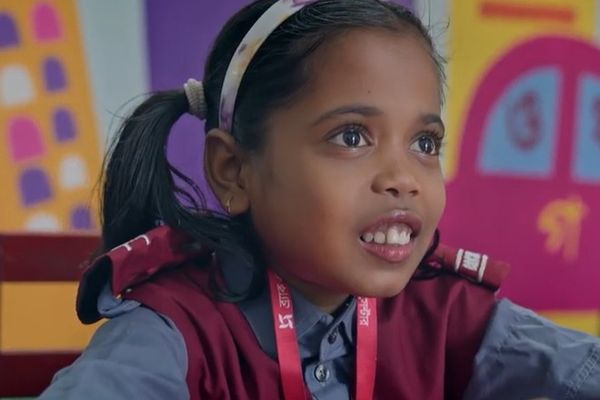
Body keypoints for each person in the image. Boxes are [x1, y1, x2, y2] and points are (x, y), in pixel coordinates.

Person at [39, 0, 600, 399]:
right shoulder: (175, 327)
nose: (404, 178)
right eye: (352, 136)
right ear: (233, 171)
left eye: (424, 142)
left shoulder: (449, 313)